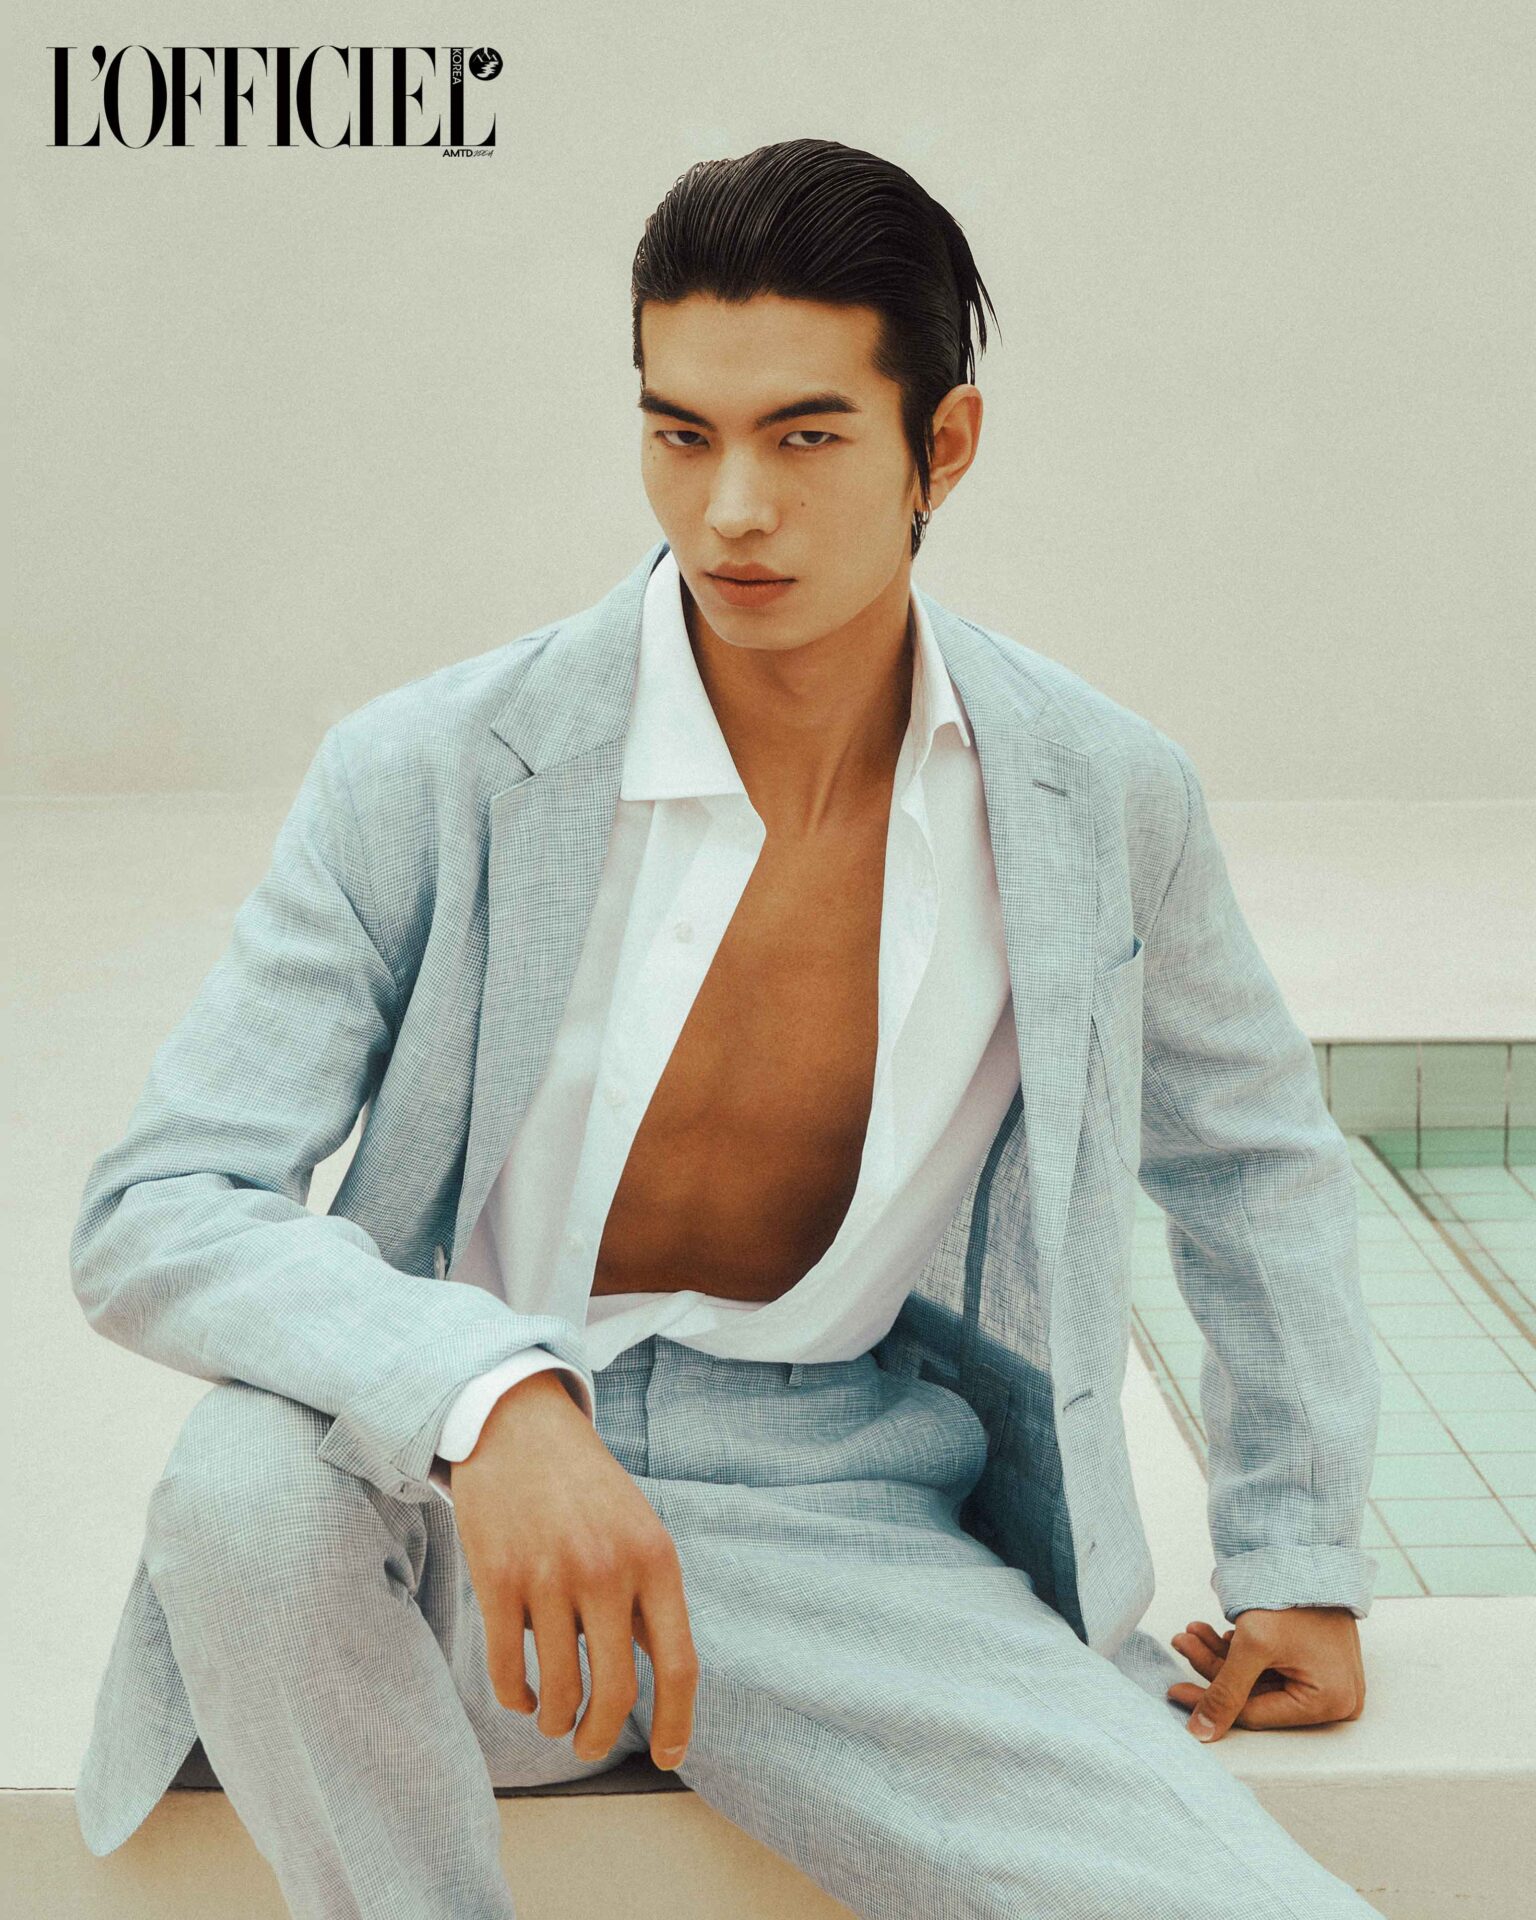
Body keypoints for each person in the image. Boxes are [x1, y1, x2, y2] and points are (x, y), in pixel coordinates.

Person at [71, 138, 1383, 1917]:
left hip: (834, 1517)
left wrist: (1297, 1547)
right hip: (443, 1520)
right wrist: (488, 1397)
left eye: (805, 437)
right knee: (244, 1489)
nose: (730, 510)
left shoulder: (1097, 795)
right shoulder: (433, 768)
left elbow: (1252, 1156)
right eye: (680, 435)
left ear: (944, 447)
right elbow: (161, 1205)